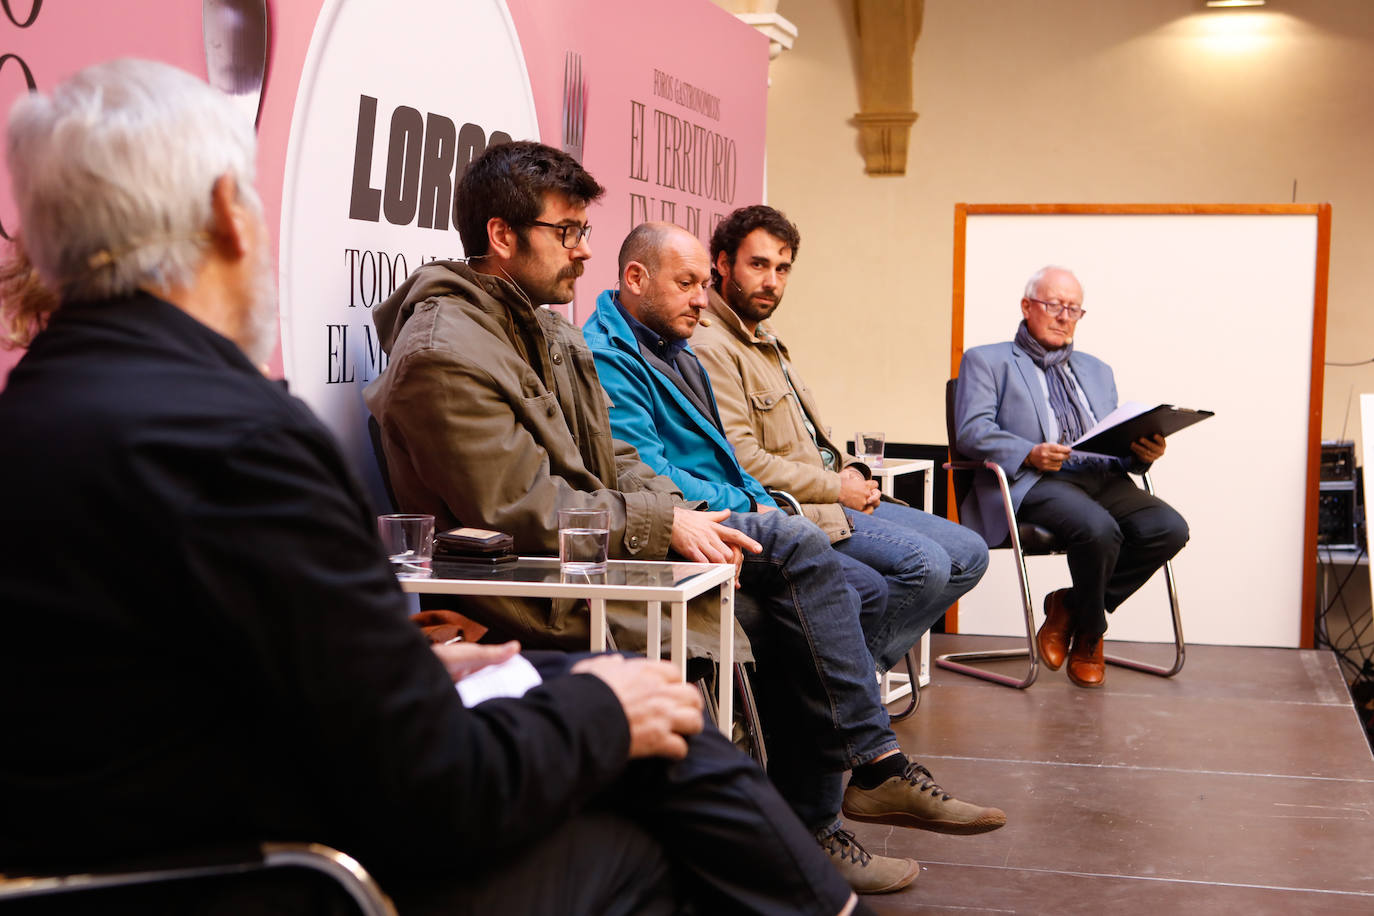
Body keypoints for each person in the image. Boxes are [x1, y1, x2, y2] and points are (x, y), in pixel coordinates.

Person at [0, 59, 865, 916]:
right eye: (566, 232)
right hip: (269, 869)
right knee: (662, 780)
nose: (583, 250)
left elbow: (177, 668)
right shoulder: (239, 439)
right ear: (231, 216)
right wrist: (603, 710)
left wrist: (403, 662)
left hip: (150, 835)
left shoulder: (40, 411)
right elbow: (433, 788)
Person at [364, 143, 1003, 894]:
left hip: (605, 551)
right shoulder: (447, 354)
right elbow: (526, 510)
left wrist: (669, 512)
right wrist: (660, 523)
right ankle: (849, 787)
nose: (585, 248)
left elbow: (614, 461)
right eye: (567, 231)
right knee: (795, 585)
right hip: (548, 585)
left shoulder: (547, 329)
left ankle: (831, 806)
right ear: (503, 236)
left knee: (816, 583)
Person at [691, 205, 991, 674]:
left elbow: (809, 438)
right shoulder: (711, 345)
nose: (772, 280)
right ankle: (846, 688)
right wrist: (838, 488)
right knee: (927, 565)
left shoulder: (764, 337)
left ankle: (844, 679)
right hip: (793, 508)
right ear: (723, 264)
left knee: (970, 553)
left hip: (833, 494)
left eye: (782, 268)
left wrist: (855, 471)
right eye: (758, 264)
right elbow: (743, 460)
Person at [953, 265, 1190, 688]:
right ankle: (1091, 635)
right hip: (1036, 480)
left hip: (1103, 478)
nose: (1064, 317)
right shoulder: (986, 360)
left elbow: (1113, 442)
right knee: (1099, 529)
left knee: (1169, 528)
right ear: (1027, 306)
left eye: (1074, 309)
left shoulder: (1098, 370)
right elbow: (972, 431)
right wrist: (1029, 451)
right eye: (1054, 306)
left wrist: (1141, 454)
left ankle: (1070, 607)